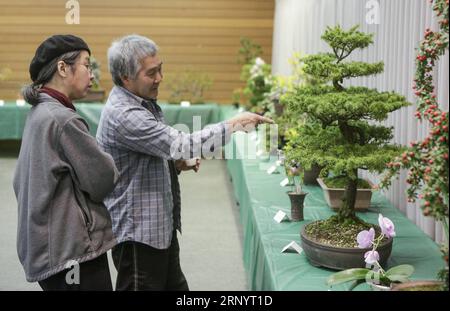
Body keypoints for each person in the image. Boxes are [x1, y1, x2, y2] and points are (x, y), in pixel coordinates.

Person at [96, 34, 273, 291]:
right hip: (138, 235)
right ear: (126, 77)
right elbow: (182, 143)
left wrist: (175, 165)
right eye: (152, 73)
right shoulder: (124, 114)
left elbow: (148, 155)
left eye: (161, 69)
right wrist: (233, 124)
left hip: (157, 228)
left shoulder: (142, 103)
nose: (160, 78)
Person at [13, 35, 119, 291]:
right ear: (62, 68)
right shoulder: (63, 120)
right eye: (87, 65)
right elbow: (103, 179)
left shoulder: (39, 112)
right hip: (71, 252)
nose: (92, 74)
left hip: (45, 249)